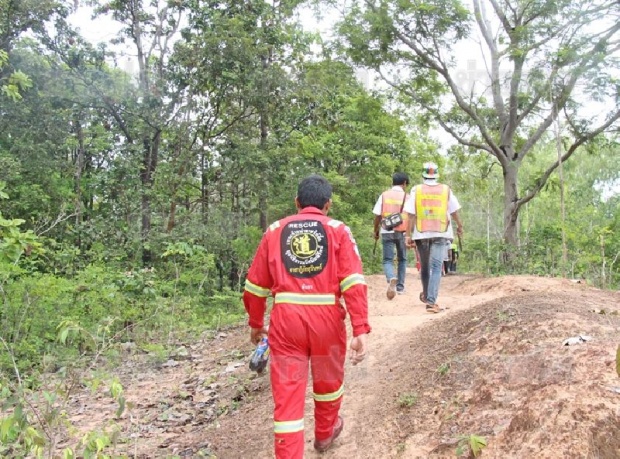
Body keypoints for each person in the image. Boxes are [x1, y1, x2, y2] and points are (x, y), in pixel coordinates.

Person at [243, 174, 371, 458]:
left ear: (297, 202)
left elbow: (254, 286)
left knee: (288, 395)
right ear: (328, 204)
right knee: (327, 383)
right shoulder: (338, 230)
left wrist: (255, 323)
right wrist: (360, 328)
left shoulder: (275, 230)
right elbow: (353, 281)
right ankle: (325, 435)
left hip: (286, 323)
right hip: (326, 321)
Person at [404, 162, 463, 313]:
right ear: (437, 174)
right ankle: (430, 300)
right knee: (437, 267)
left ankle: (427, 295)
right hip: (441, 232)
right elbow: (455, 211)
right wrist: (460, 226)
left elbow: (410, 214)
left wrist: (408, 235)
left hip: (421, 233)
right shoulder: (445, 190)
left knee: (425, 267)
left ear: (423, 175)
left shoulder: (416, 190)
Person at [372, 172, 410, 299]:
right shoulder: (407, 197)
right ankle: (400, 287)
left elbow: (377, 215)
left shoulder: (384, 195)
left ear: (392, 182)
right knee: (402, 259)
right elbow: (412, 217)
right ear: (404, 183)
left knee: (387, 260)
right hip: (402, 231)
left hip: (386, 230)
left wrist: (376, 230)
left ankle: (391, 278)